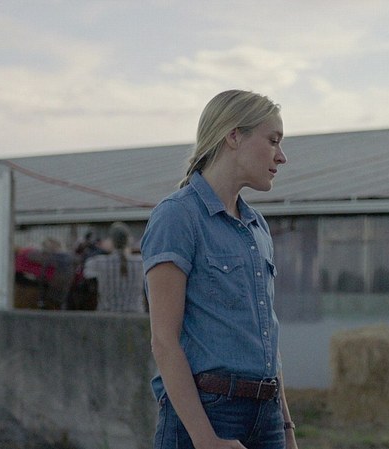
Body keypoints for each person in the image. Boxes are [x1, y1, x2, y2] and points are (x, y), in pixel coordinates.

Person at [140, 89, 297, 449]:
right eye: (273, 140)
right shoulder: (177, 216)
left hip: (267, 416)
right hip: (209, 414)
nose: (282, 156)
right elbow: (164, 342)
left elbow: (267, 339)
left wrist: (286, 428)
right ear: (234, 136)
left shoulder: (257, 226)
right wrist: (205, 439)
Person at [82, 222, 145, 312]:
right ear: (129, 240)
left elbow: (87, 278)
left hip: (107, 315)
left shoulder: (96, 262)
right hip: (135, 314)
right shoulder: (141, 262)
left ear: (111, 241)